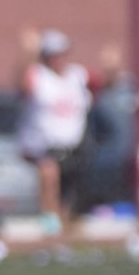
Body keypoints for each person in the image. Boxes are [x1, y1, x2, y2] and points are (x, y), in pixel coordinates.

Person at [16, 28, 95, 237]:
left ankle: (66, 229)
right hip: (41, 145)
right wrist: (27, 54)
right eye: (53, 55)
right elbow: (23, 83)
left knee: (69, 193)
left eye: (61, 54)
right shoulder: (39, 75)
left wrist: (112, 66)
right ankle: (50, 226)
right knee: (49, 177)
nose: (58, 59)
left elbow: (104, 84)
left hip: (72, 146)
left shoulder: (76, 76)